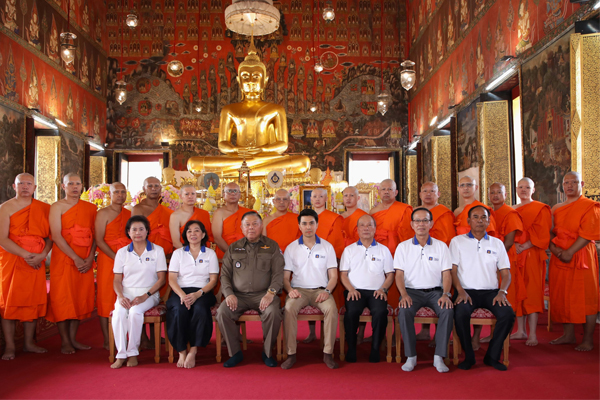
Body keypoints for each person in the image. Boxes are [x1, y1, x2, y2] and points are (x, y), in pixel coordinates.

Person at [450, 205, 515, 371]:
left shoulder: (497, 243)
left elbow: (506, 273)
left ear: (488, 221)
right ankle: (469, 356)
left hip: (491, 292)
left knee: (508, 315)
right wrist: (460, 290)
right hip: (466, 291)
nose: (480, 221)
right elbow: (453, 270)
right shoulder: (457, 241)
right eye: (476, 217)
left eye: (483, 217)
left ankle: (492, 356)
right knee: (460, 314)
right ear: (469, 221)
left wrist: (502, 292)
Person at [216, 211, 285, 367]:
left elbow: (278, 273)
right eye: (247, 224)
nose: (251, 228)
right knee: (222, 313)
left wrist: (271, 293)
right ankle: (235, 353)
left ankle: (267, 352)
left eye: (255, 224)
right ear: (242, 228)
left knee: (273, 313)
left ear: (261, 226)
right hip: (238, 296)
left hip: (264, 294)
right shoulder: (233, 248)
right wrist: (229, 294)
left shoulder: (272, 246)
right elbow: (225, 275)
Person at [0, 173, 52, 360]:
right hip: (13, 259)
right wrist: (24, 255)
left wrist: (42, 255)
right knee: (9, 302)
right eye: (20, 183)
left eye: (29, 183)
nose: (25, 186)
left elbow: (49, 237)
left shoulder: (44, 208)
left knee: (32, 302)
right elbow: (2, 238)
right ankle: (10, 346)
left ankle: (29, 343)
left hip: (36, 261)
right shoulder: (5, 208)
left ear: (34, 188)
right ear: (14, 186)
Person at [395, 208, 453, 373]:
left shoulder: (441, 246)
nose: (421, 224)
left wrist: (446, 294)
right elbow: (399, 275)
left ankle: (439, 357)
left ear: (431, 223)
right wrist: (403, 294)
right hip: (411, 292)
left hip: (436, 292)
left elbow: (447, 274)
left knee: (447, 310)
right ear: (412, 224)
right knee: (404, 310)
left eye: (425, 220)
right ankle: (411, 356)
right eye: (417, 221)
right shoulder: (403, 247)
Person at [281, 209, 339, 370]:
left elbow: (333, 276)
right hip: (299, 291)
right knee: (289, 308)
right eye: (304, 223)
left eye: (311, 223)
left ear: (317, 225)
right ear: (299, 225)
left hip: (321, 291)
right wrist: (290, 289)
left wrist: (326, 291)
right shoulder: (291, 248)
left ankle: (328, 353)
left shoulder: (327, 247)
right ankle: (291, 354)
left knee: (331, 310)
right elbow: (285, 277)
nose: (308, 227)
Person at [46, 173, 97, 354]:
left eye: (78, 184)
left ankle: (74, 339)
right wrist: (75, 258)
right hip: (64, 258)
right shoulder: (57, 207)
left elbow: (95, 235)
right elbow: (56, 236)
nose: (75, 187)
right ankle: (65, 341)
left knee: (79, 298)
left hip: (85, 259)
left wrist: (91, 257)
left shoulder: (90, 208)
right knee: (62, 298)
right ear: (63, 186)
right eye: (71, 184)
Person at [548, 171, 599, 351]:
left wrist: (570, 251)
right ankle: (568, 334)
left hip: (581, 254)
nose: (569, 185)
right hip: (560, 255)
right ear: (562, 186)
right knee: (562, 295)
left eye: (574, 182)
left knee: (586, 297)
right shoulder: (556, 208)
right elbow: (550, 232)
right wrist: (555, 250)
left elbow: (589, 232)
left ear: (582, 184)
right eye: (566, 183)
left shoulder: (589, 206)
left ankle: (588, 339)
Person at [110, 215, 167, 368]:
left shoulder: (157, 250)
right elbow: (116, 279)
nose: (138, 232)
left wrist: (145, 295)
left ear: (147, 231)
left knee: (135, 312)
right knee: (119, 314)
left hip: (149, 293)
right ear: (128, 232)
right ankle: (121, 354)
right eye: (134, 229)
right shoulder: (122, 252)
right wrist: (120, 296)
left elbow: (161, 279)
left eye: (141, 229)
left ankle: (133, 353)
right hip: (126, 293)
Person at [339, 214, 394, 363]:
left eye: (369, 225)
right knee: (352, 312)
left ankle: (375, 349)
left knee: (380, 312)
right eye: (362, 225)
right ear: (357, 229)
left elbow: (390, 275)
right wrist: (351, 289)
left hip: (377, 291)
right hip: (355, 290)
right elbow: (343, 274)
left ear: (375, 229)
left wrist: (383, 289)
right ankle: (351, 348)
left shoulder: (384, 250)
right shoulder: (349, 250)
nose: (366, 228)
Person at [167, 220, 218, 368]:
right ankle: (182, 350)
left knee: (200, 309)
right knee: (178, 310)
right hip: (180, 290)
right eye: (189, 231)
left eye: (196, 231)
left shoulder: (210, 253)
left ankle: (193, 351)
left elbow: (213, 280)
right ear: (185, 235)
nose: (193, 234)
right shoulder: (178, 253)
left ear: (203, 234)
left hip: (203, 291)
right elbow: (171, 279)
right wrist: (182, 295)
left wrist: (198, 294)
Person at [414, 182, 456, 342]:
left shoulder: (444, 213)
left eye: (432, 191)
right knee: (423, 286)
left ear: (438, 194)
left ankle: (441, 334)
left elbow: (449, 237)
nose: (428, 194)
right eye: (425, 191)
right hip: (420, 255)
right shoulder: (416, 212)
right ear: (420, 194)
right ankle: (425, 330)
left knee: (439, 290)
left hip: (439, 255)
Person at [512, 178, 552, 346]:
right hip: (515, 254)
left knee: (533, 291)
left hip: (533, 255)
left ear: (533, 190)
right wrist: (515, 245)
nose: (523, 190)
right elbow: (506, 231)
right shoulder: (512, 209)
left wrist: (525, 246)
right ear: (516, 189)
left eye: (527, 187)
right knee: (517, 290)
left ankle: (533, 334)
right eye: (520, 187)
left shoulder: (540, 208)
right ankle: (520, 330)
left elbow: (543, 233)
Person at [95, 182, 131, 350]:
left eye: (123, 192)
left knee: (125, 296)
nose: (120, 195)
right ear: (110, 194)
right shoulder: (103, 213)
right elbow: (99, 240)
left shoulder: (129, 214)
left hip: (127, 260)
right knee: (106, 298)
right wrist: (116, 258)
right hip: (109, 258)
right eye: (116, 192)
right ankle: (107, 339)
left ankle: (124, 337)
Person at [488, 183, 526, 341]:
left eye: (499, 192)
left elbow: (509, 241)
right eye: (492, 193)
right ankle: (494, 334)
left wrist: (496, 259)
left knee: (507, 295)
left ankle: (505, 335)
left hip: (504, 258)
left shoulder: (510, 213)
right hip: (490, 259)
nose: (495, 195)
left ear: (506, 195)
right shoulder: (488, 213)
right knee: (492, 294)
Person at [369, 179, 414, 309]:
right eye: (383, 189)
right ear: (379, 192)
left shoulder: (404, 209)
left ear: (396, 192)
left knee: (397, 279)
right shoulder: (373, 212)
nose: (386, 192)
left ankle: (398, 317)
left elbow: (408, 235)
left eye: (390, 189)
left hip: (398, 251)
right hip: (378, 252)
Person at [132, 177, 174, 258]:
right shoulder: (138, 209)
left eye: (156, 186)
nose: (153, 189)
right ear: (144, 189)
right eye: (150, 186)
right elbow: (136, 234)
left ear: (160, 188)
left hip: (168, 256)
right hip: (146, 255)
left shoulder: (167, 211)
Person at [212, 182, 251, 259]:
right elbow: (217, 237)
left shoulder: (248, 213)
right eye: (229, 191)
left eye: (235, 191)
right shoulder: (219, 213)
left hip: (246, 254)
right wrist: (232, 254)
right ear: (224, 195)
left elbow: (253, 235)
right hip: (225, 254)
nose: (233, 194)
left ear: (239, 195)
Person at [169, 184, 213, 249]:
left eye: (193, 194)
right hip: (183, 253)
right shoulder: (175, 216)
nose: (190, 196)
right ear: (181, 196)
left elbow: (208, 236)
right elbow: (176, 243)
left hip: (203, 253)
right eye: (187, 194)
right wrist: (190, 254)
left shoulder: (204, 213)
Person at [262, 189, 301, 253]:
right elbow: (264, 243)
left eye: (285, 199)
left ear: (289, 202)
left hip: (293, 254)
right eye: (278, 199)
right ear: (273, 201)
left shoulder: (297, 218)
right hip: (273, 255)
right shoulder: (266, 220)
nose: (281, 202)